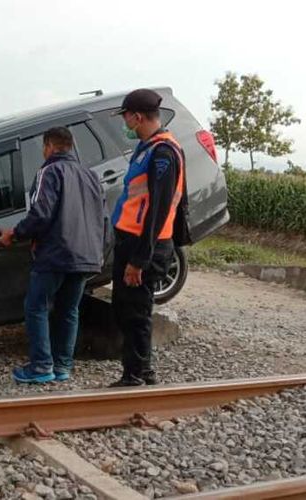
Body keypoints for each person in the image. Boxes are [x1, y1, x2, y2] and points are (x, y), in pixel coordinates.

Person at [0, 127, 105, 383]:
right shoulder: (91, 175)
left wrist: (14, 234)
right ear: (70, 146)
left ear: (49, 146)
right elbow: (103, 219)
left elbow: (40, 213)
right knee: (69, 310)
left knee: (36, 307)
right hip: (87, 255)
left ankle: (40, 366)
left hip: (55, 253)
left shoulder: (49, 171)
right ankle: (62, 367)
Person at [109, 89, 186, 387]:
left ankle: (136, 375)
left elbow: (159, 210)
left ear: (137, 117)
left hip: (145, 246)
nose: (124, 122)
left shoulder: (164, 152)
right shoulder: (149, 147)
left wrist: (140, 259)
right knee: (126, 308)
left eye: (125, 116)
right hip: (132, 241)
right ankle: (141, 370)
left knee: (135, 312)